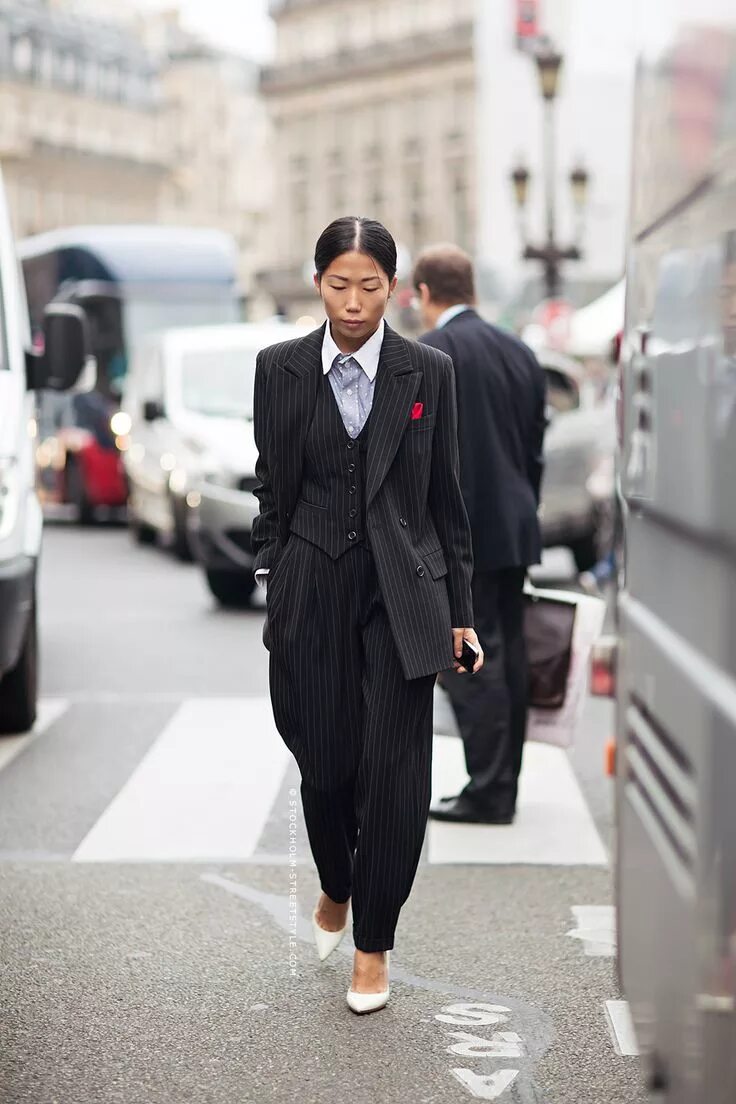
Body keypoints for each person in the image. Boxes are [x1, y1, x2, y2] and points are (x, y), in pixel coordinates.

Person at [251, 217, 482, 1015]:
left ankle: (372, 947)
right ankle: (336, 881)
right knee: (325, 763)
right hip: (310, 580)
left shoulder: (430, 372)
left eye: (371, 285)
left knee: (393, 776)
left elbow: (448, 502)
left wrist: (461, 613)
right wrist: (270, 568)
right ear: (318, 281)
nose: (354, 302)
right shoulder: (277, 369)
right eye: (340, 284)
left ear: (395, 287)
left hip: (404, 594)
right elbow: (271, 485)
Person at [413, 244, 547, 825]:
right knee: (509, 653)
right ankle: (501, 782)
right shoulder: (519, 351)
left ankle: (489, 789)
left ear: (422, 294)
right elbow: (534, 446)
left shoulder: (431, 353)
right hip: (515, 519)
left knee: (470, 654)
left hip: (463, 529)